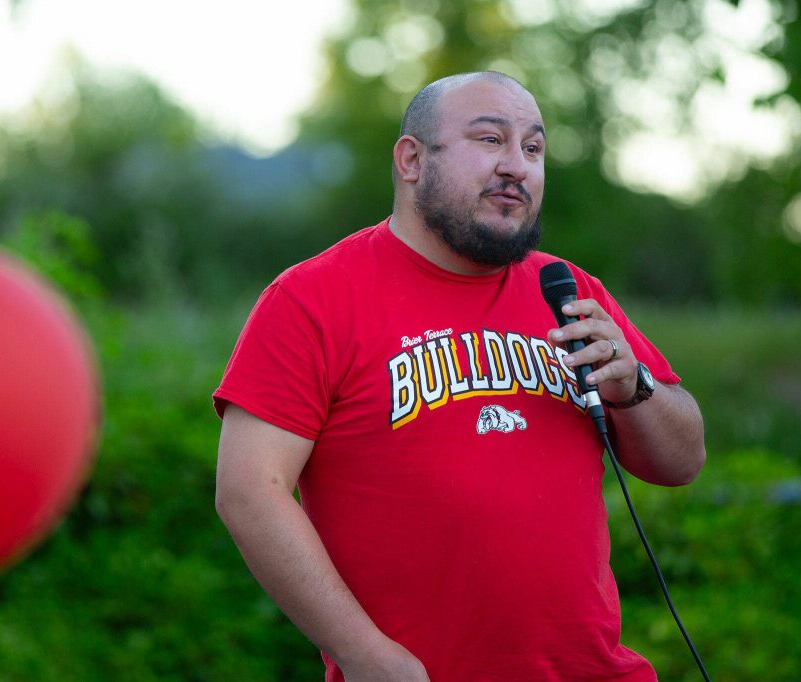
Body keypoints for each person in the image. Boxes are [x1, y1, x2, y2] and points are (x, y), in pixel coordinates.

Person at [213, 71, 706, 681]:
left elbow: (682, 462)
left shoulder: (570, 292)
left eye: (533, 148)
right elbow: (248, 491)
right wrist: (363, 654)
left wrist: (636, 389)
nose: (516, 167)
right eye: (490, 140)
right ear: (412, 160)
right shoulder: (312, 299)